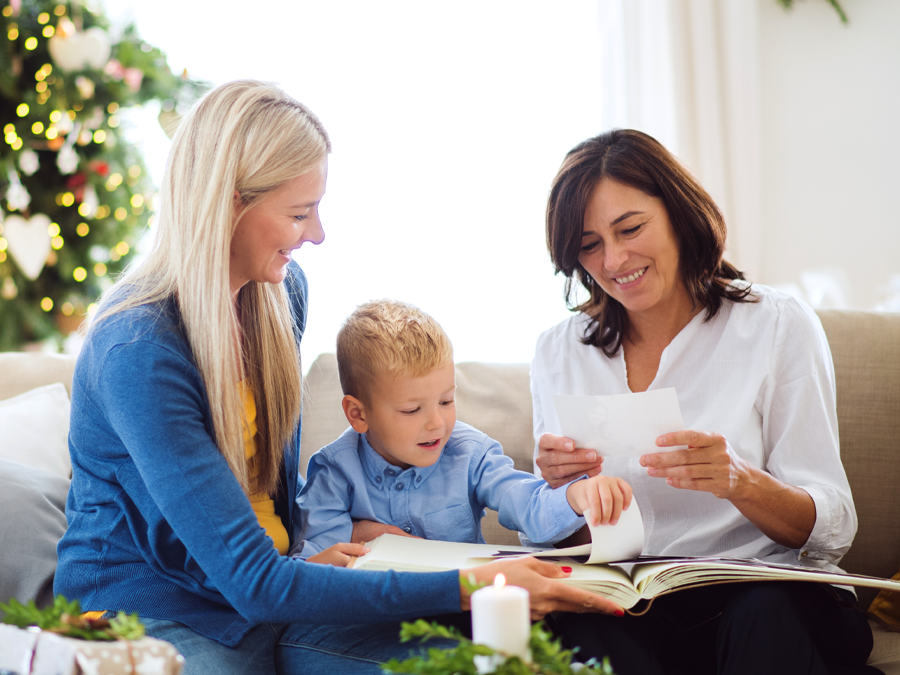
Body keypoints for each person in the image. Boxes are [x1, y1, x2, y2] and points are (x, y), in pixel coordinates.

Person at [53, 80, 624, 675]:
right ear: (228, 204)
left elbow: (269, 535)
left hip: (279, 592)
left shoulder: (278, 294)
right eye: (300, 213)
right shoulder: (138, 349)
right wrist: (469, 583)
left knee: (486, 659)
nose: (318, 233)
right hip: (156, 610)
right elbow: (252, 581)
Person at [530, 129, 878, 674]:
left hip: (762, 595)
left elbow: (833, 525)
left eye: (631, 228)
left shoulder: (776, 324)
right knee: (579, 624)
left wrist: (741, 480)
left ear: (677, 212)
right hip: (635, 605)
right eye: (589, 244)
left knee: (764, 614)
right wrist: (562, 496)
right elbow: (557, 538)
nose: (615, 258)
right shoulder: (559, 351)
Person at [291, 299, 633, 562]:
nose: (436, 423)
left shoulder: (471, 454)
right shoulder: (334, 471)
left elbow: (527, 504)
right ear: (357, 414)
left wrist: (575, 497)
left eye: (446, 401)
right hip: (372, 617)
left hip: (458, 612)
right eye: (412, 410)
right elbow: (320, 555)